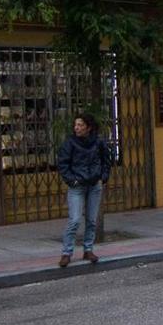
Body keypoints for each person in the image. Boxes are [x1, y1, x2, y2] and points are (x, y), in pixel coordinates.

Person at [56, 113, 111, 268]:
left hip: (94, 185)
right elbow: (63, 164)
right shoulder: (70, 143)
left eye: (80, 125)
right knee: (74, 220)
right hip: (77, 186)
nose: (77, 128)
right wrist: (71, 180)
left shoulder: (98, 142)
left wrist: (103, 177)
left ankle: (88, 249)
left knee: (92, 220)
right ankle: (67, 253)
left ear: (88, 127)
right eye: (75, 125)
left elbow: (106, 161)